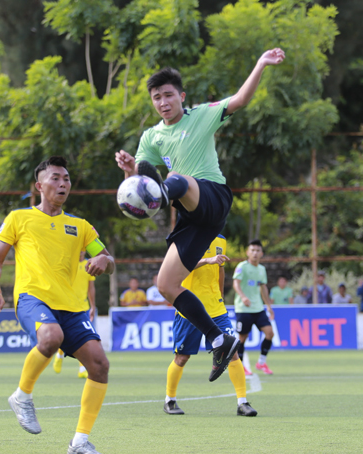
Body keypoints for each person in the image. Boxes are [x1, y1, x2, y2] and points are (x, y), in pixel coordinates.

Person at [115, 48, 285, 381]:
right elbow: (136, 184)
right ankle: (219, 338)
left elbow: (239, 100)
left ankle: (166, 192)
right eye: (156, 98)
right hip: (191, 216)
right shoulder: (151, 136)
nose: (163, 102)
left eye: (168, 95)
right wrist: (128, 172)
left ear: (181, 95)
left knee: (176, 180)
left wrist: (260, 63)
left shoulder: (202, 115)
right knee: (165, 284)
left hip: (212, 196)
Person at [0, 156, 115, 454]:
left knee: (99, 365)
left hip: (71, 306)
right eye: (55, 178)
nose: (62, 183)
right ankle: (22, 395)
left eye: (66, 179)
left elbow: (109, 262)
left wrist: (102, 259)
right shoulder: (19, 218)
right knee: (50, 337)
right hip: (32, 298)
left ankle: (79, 441)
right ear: (38, 185)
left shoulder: (80, 226)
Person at [164, 235, 257, 417]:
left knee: (232, 353)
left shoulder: (221, 239)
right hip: (188, 308)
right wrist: (207, 260)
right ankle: (170, 400)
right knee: (182, 358)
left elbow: (220, 270)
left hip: (216, 308)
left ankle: (242, 402)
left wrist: (220, 295)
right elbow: (180, 267)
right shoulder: (187, 237)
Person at [233, 239, 275, 376]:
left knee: (270, 333)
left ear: (261, 253)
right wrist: (243, 296)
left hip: (258, 308)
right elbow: (236, 284)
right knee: (242, 337)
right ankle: (240, 366)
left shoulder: (262, 269)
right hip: (243, 308)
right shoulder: (242, 266)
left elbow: (263, 288)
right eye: (252, 250)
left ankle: (261, 362)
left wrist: (268, 306)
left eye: (257, 250)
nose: (255, 253)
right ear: (247, 252)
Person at [54, 251, 97, 379]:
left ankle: (82, 368)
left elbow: (91, 288)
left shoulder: (89, 265)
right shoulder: (67, 263)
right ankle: (60, 354)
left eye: (83, 249)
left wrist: (93, 306)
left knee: (84, 338)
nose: (80, 252)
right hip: (66, 304)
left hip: (82, 307)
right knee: (63, 335)